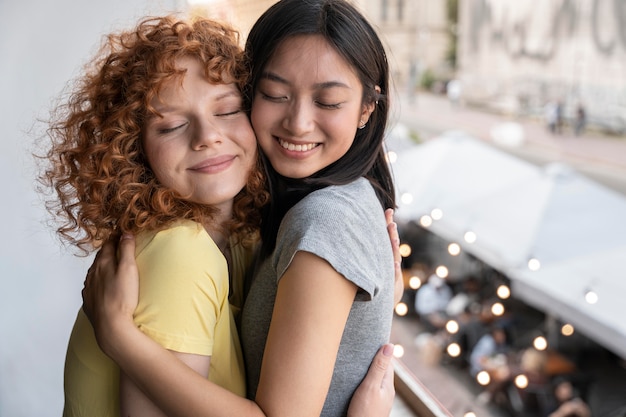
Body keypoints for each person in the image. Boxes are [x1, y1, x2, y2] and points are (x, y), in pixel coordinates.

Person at [39, 14, 397, 417]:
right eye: (171, 125)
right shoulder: (180, 253)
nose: (207, 136)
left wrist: (373, 300)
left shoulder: (245, 236)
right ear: (132, 150)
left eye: (226, 111)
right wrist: (118, 336)